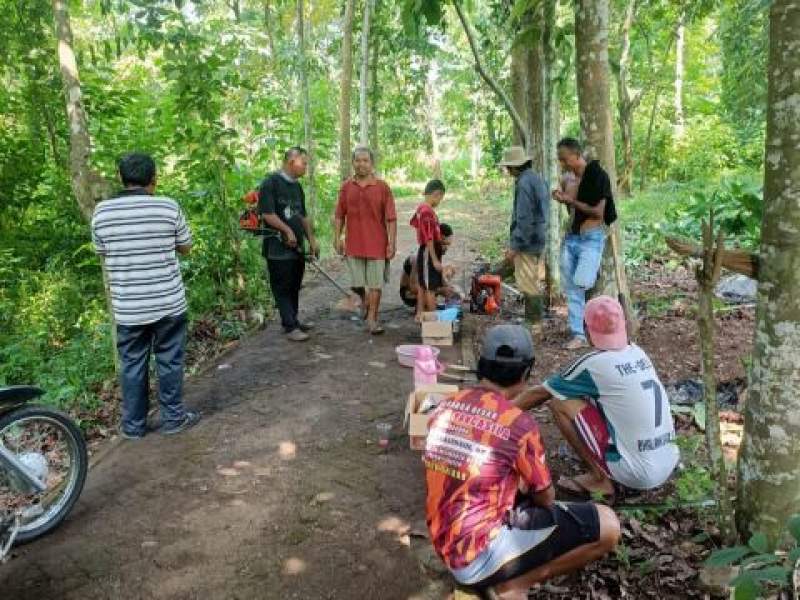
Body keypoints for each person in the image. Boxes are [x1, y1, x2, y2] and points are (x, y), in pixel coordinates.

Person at [424, 324, 620, 598]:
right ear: (526, 373)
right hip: (476, 555)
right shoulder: (519, 424)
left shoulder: (444, 407)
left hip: (445, 540)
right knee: (608, 524)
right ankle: (514, 584)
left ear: (482, 366)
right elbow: (546, 499)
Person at [515, 296, 679, 501]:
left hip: (635, 473)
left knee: (560, 404)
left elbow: (542, 393)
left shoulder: (593, 364)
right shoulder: (638, 353)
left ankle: (600, 477)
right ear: (623, 324)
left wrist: (496, 413)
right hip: (667, 461)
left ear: (586, 328)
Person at [91, 152, 200, 439]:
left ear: (121, 178)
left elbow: (102, 252)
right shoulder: (168, 207)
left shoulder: (101, 212)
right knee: (170, 360)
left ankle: (134, 426)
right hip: (168, 303)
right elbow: (186, 247)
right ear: (154, 178)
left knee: (132, 364)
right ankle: (173, 419)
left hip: (129, 308)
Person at [552, 138, 617, 349]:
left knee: (582, 282)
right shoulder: (567, 179)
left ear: (576, 154)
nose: (563, 164)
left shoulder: (598, 176)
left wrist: (571, 201)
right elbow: (570, 212)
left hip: (591, 238)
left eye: (565, 159)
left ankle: (597, 328)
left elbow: (598, 212)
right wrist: (562, 198)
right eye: (560, 160)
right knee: (572, 289)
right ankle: (578, 334)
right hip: (571, 238)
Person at [258, 146, 320, 342]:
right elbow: (267, 214)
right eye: (304, 163)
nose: (306, 168)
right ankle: (289, 325)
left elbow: (303, 215)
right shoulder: (270, 183)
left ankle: (293, 319)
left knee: (294, 284)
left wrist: (312, 239)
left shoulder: (296, 186)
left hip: (296, 247)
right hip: (277, 248)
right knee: (282, 286)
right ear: (291, 162)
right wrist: (287, 230)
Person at [334, 147, 397, 335]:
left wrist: (391, 243)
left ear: (372, 164)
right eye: (358, 160)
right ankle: (364, 298)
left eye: (365, 160)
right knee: (356, 283)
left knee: (375, 284)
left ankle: (372, 319)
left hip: (377, 244)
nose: (361, 164)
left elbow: (391, 218)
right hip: (353, 244)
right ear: (353, 163)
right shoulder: (346, 187)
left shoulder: (382, 187)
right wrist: (337, 237)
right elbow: (339, 215)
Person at [499, 146, 550, 328]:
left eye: (508, 167)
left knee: (528, 282)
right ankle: (533, 318)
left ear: (513, 167)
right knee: (532, 280)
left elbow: (524, 217)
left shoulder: (523, 183)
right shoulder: (537, 179)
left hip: (528, 240)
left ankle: (534, 322)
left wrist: (516, 244)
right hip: (538, 236)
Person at [410, 179, 448, 321]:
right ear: (437, 194)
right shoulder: (427, 211)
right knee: (430, 288)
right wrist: (434, 259)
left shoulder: (421, 208)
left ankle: (420, 314)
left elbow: (422, 228)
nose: (439, 202)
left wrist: (441, 240)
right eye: (441, 198)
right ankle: (434, 322)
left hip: (426, 250)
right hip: (428, 252)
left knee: (422, 285)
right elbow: (428, 237)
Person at [399, 223, 456, 309]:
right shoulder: (418, 257)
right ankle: (422, 308)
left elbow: (438, 277)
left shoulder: (436, 253)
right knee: (430, 295)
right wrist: (440, 290)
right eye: (444, 244)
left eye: (448, 245)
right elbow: (414, 288)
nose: (446, 248)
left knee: (449, 270)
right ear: (439, 239)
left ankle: (429, 305)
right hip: (409, 294)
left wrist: (449, 287)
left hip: (425, 288)